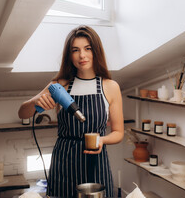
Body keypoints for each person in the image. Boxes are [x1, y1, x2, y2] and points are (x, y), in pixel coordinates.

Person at [18, 25, 124, 197]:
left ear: (95, 51)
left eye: (87, 48)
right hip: (64, 163)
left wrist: (102, 140)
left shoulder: (110, 87)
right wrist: (36, 101)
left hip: (96, 162)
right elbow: (22, 113)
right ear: (69, 55)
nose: (82, 55)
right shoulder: (60, 85)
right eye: (75, 50)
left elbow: (119, 132)